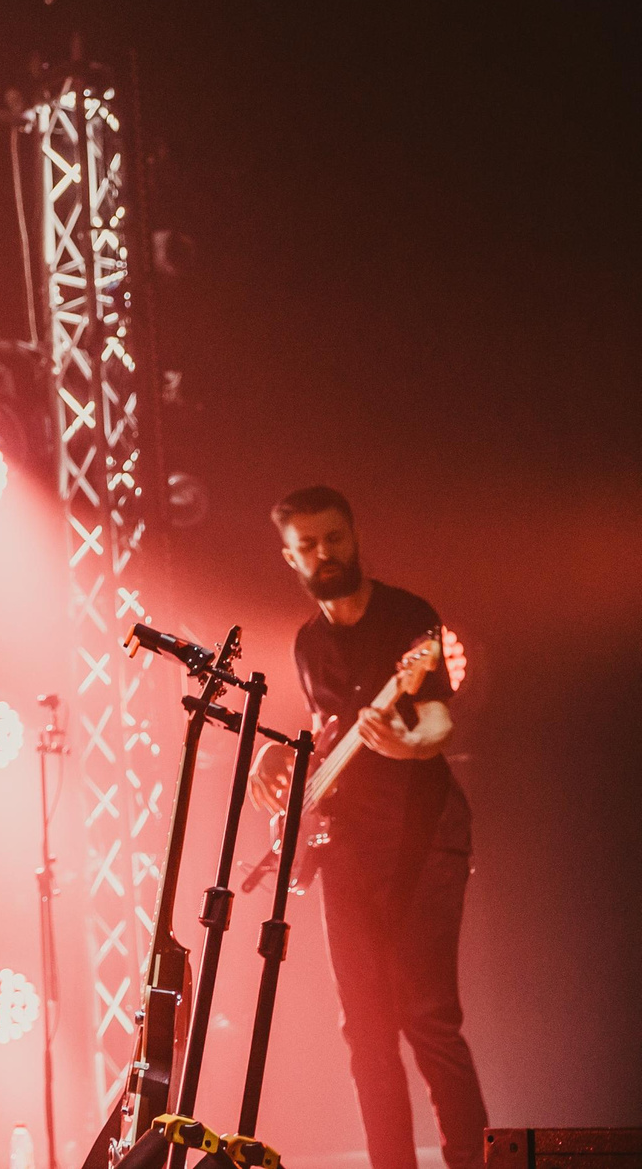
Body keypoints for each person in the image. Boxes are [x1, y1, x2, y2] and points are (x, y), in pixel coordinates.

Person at [253, 485, 488, 1169]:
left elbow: (439, 718)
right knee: (364, 1032)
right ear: (290, 557)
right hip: (348, 849)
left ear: (354, 534)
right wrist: (277, 758)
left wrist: (409, 744)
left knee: (429, 1018)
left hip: (424, 838)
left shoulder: (411, 618)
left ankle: (472, 1161)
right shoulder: (305, 643)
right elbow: (325, 737)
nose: (324, 553)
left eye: (334, 538)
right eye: (308, 546)